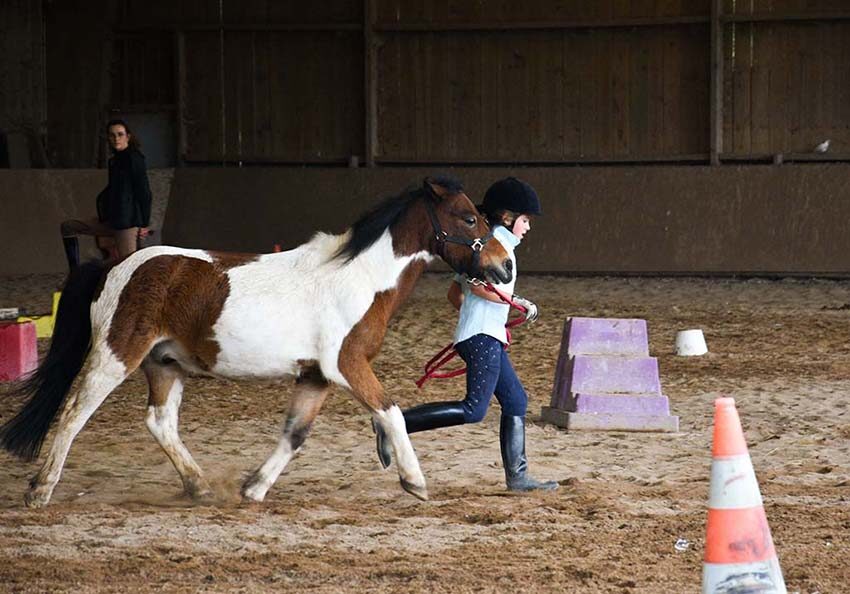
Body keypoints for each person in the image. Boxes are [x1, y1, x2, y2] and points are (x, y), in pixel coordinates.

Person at [375, 177, 558, 492]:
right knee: (475, 409)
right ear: (507, 217)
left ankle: (518, 478)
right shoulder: (496, 249)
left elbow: (455, 295)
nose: (528, 227)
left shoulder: (483, 243)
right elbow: (476, 286)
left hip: (483, 335)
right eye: (525, 220)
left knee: (516, 400)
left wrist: (481, 315)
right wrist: (515, 304)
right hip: (483, 337)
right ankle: (395, 424)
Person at [60, 119, 152, 271]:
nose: (116, 139)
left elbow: (144, 192)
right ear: (108, 138)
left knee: (129, 269)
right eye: (112, 135)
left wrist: (144, 224)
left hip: (127, 224)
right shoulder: (114, 161)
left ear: (128, 137)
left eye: (120, 134)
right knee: (68, 227)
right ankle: (74, 273)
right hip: (111, 220)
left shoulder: (135, 159)